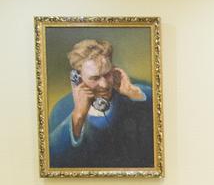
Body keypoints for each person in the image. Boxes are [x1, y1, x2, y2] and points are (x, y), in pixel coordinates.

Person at [47, 39, 154, 170]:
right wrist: (78, 116)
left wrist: (132, 92)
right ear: (77, 78)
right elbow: (53, 158)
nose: (104, 85)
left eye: (107, 74)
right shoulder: (61, 109)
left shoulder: (131, 92)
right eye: (95, 78)